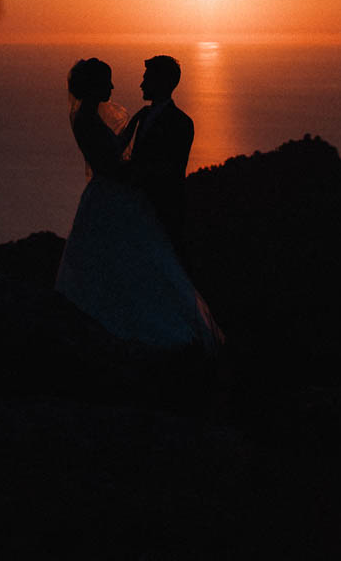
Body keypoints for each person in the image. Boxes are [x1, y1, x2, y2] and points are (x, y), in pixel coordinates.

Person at [53, 58, 219, 352]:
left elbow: (168, 170)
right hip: (113, 198)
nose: (117, 86)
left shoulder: (179, 123)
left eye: (147, 77)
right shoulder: (88, 120)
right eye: (107, 81)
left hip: (134, 202)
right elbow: (111, 162)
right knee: (126, 262)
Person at [123, 55, 195, 254]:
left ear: (162, 82)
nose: (141, 85)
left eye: (146, 79)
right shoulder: (144, 116)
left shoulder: (181, 122)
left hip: (163, 213)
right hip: (140, 210)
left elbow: (172, 170)